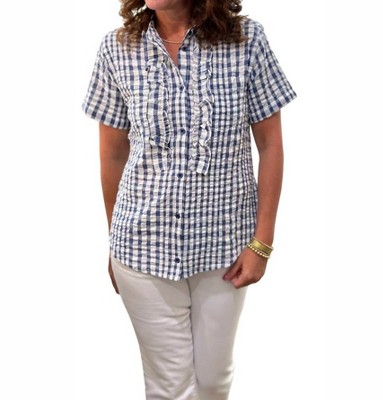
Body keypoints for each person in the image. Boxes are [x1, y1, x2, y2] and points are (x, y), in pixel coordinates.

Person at [82, 0, 297, 398]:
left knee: (213, 381)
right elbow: (112, 153)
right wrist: (115, 242)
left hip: (225, 248)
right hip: (142, 246)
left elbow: (270, 146)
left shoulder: (247, 40)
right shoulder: (117, 48)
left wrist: (262, 243)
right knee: (169, 387)